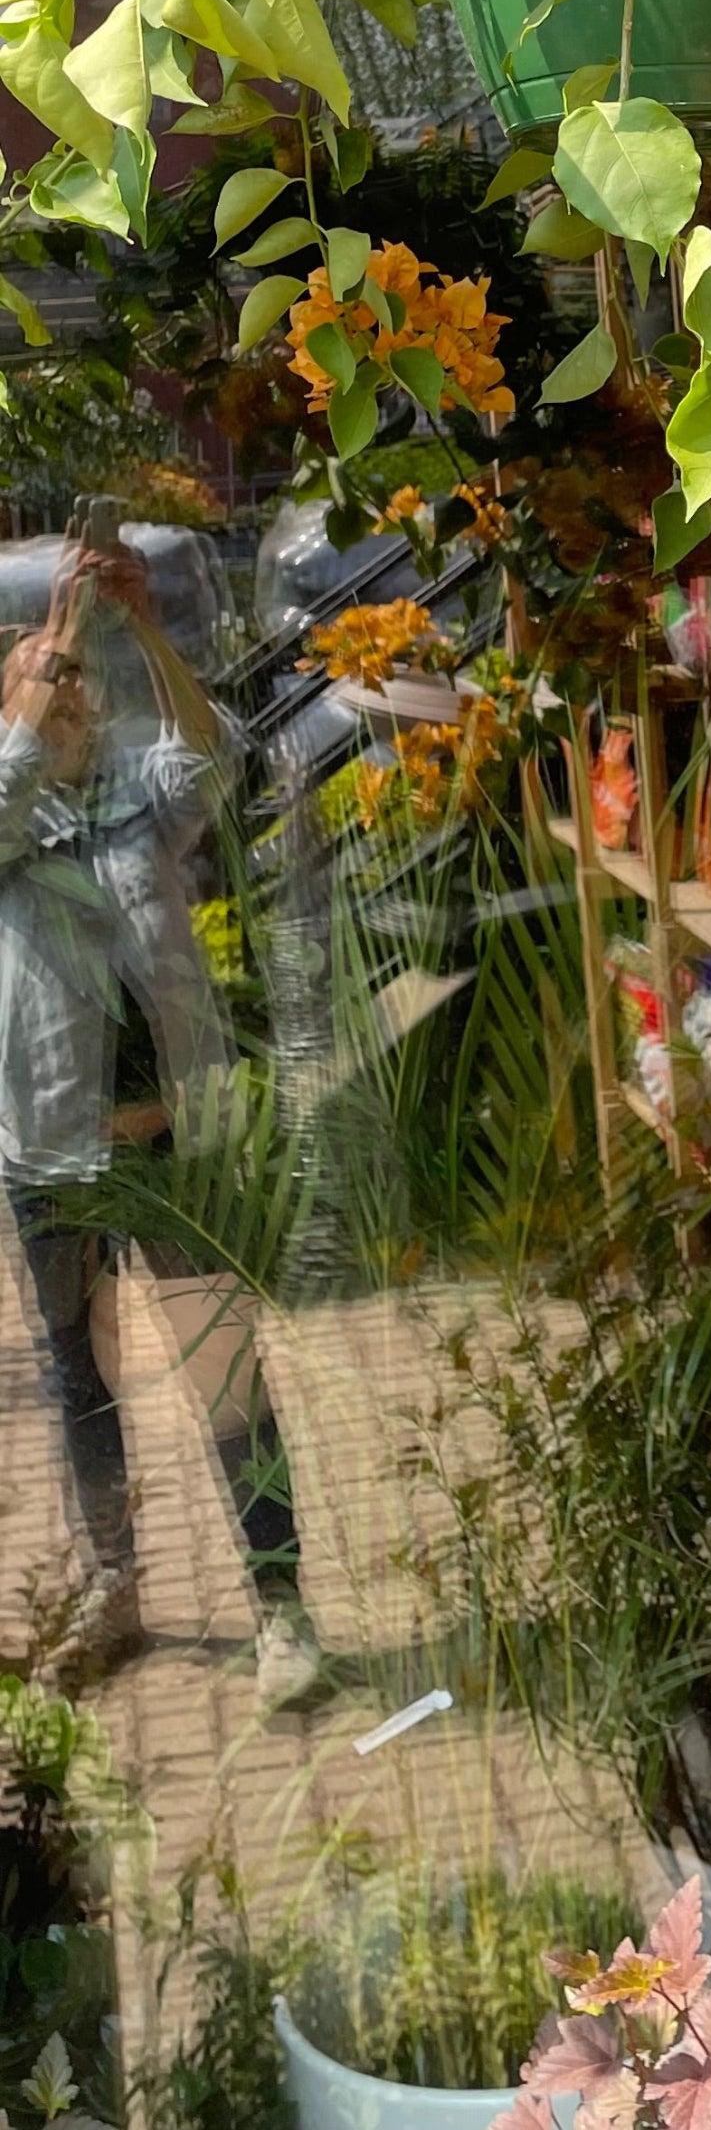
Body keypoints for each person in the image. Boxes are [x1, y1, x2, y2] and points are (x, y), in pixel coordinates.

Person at [0, 528, 233, 1670]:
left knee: (223, 1367)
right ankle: (117, 1589)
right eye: (45, 682)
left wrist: (142, 630)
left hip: (170, 1138)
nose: (67, 693)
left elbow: (209, 758)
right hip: (47, 1149)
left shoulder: (139, 791)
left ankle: (287, 1612)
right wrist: (40, 673)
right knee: (75, 1376)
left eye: (75, 683)